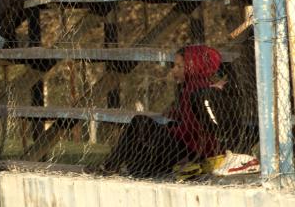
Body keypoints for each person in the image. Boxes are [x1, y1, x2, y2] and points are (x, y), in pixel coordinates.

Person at [97, 45, 230, 179]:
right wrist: (173, 115)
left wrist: (170, 129)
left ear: (195, 67)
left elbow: (194, 130)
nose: (174, 71)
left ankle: (111, 166)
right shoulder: (191, 86)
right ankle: (121, 166)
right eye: (174, 66)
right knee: (144, 130)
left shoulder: (199, 90)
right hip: (185, 144)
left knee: (140, 122)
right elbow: (187, 115)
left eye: (179, 67)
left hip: (192, 150)